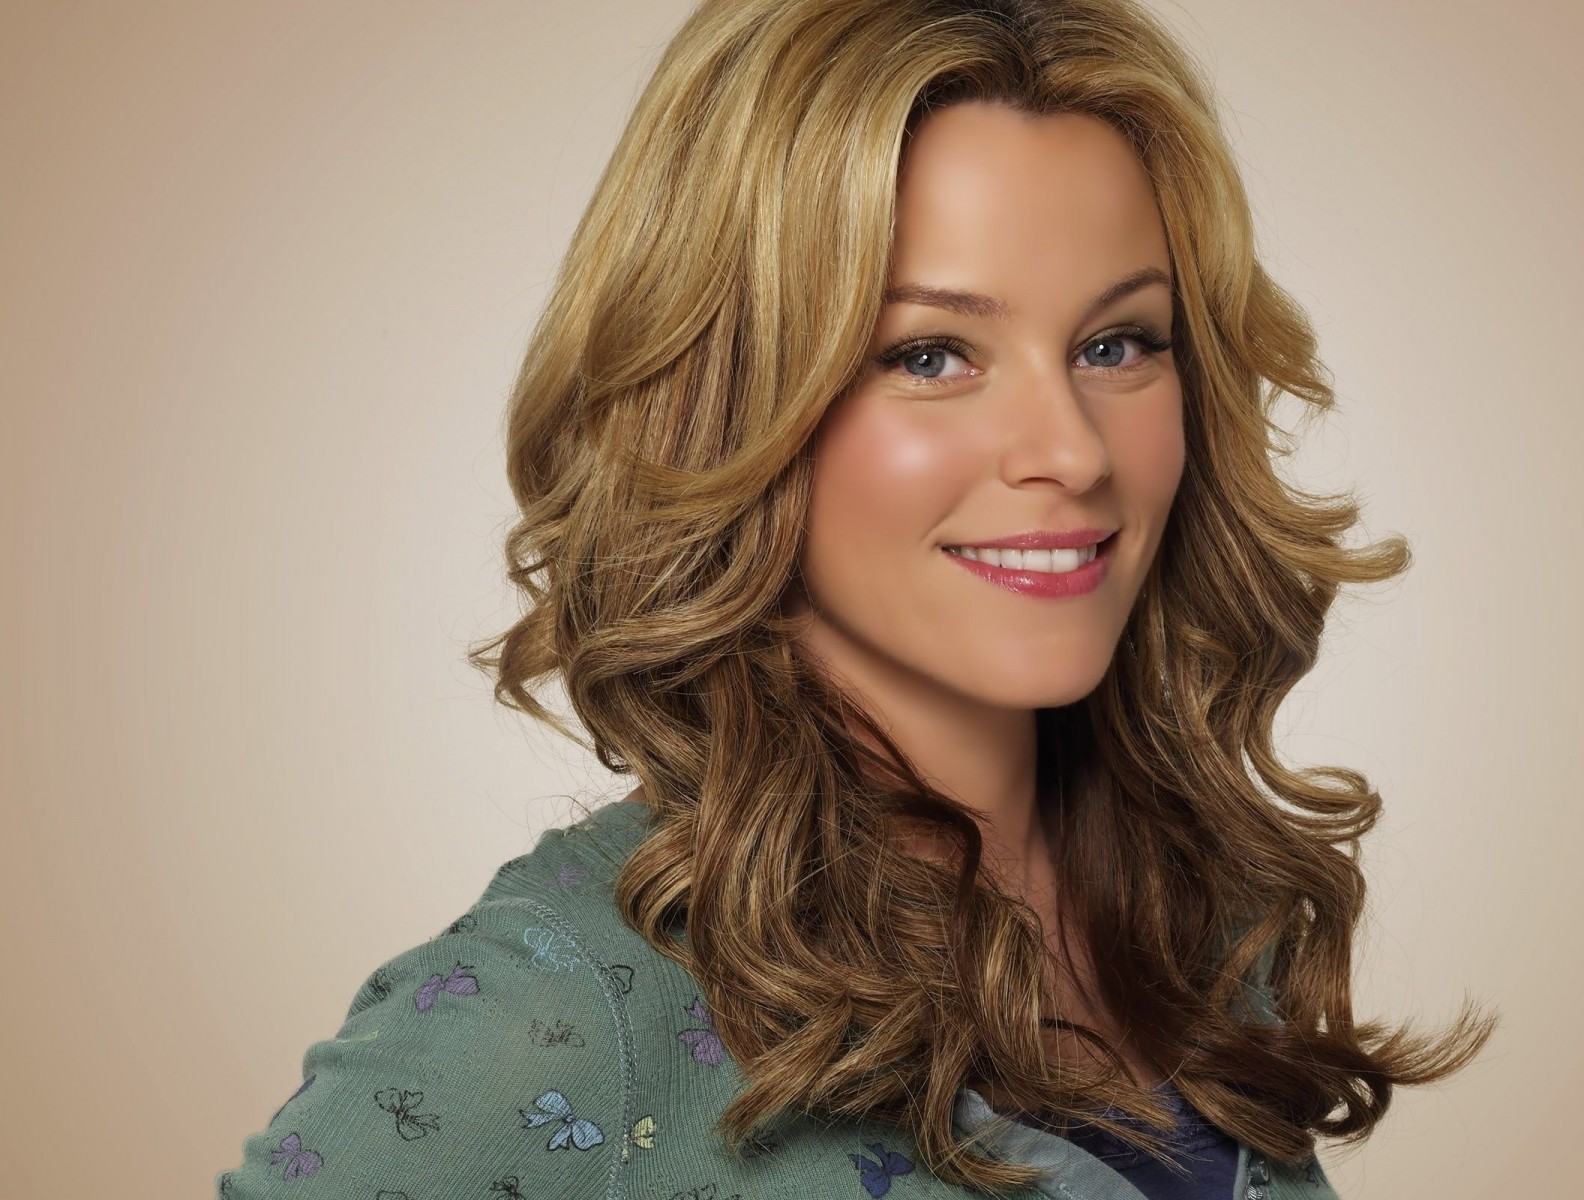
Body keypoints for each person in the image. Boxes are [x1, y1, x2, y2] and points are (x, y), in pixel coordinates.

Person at [218, 1, 1496, 1197]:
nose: (1071, 449)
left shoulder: (1205, 926)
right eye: (931, 355)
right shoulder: (560, 1014)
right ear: (730, 403)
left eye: (1116, 345)